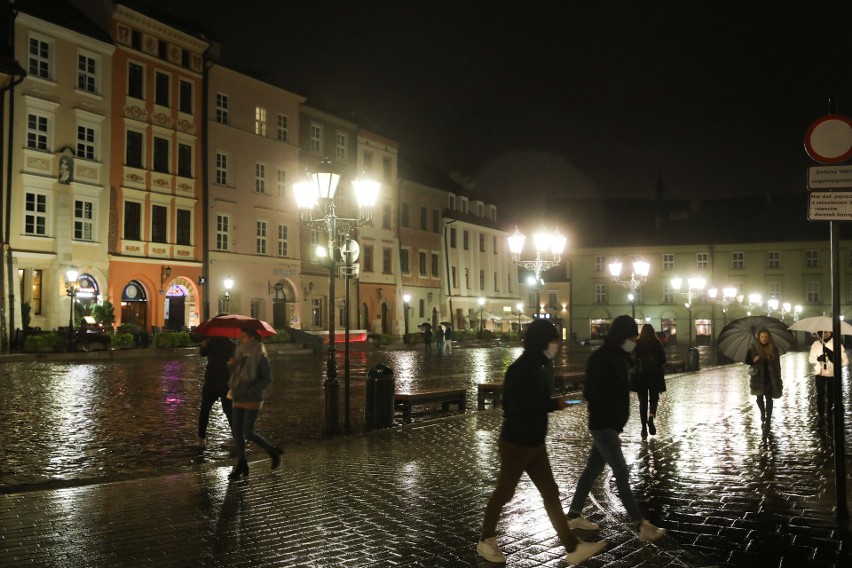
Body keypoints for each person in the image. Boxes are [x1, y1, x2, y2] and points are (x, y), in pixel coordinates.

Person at [477, 319, 608, 565]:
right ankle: (486, 540)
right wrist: (554, 404)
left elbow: (539, 402)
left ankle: (572, 547)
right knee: (505, 492)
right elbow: (514, 406)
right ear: (541, 342)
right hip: (517, 443)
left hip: (535, 444)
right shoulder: (522, 368)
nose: (555, 346)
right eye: (553, 341)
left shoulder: (538, 366)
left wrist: (569, 401)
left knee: (550, 492)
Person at [566, 314, 667, 543]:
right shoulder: (602, 358)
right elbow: (591, 391)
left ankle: (573, 514)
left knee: (592, 470)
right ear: (622, 336)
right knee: (621, 472)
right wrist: (609, 407)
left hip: (610, 424)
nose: (634, 340)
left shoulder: (620, 356)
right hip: (604, 425)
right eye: (632, 336)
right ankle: (640, 524)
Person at [226, 327, 283, 480]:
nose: (240, 339)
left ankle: (271, 451)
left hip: (252, 397)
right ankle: (242, 463)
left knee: (247, 432)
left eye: (243, 336)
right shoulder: (240, 352)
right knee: (237, 432)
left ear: (252, 338)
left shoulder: (260, 355)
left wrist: (253, 390)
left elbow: (267, 378)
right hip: (238, 395)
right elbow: (235, 376)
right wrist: (231, 365)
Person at [198, 333, 236, 448]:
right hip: (222, 381)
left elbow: (202, 353)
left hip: (214, 381)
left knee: (205, 410)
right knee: (228, 411)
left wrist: (204, 346)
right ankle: (236, 438)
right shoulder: (231, 343)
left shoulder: (212, 341)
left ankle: (201, 438)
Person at [631, 323, 667, 438]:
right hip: (654, 376)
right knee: (654, 399)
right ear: (653, 332)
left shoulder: (637, 343)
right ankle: (651, 418)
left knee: (643, 402)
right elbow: (663, 360)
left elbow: (631, 359)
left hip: (641, 376)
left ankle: (643, 429)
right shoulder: (657, 343)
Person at [807, 330, 847, 428]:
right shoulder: (816, 344)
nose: (825, 334)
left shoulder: (836, 343)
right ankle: (821, 416)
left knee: (831, 396)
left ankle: (829, 415)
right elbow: (810, 359)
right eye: (823, 332)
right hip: (819, 373)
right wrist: (817, 359)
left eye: (827, 332)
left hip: (832, 374)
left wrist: (834, 359)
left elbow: (844, 361)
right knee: (820, 395)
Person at [745, 327, 783, 426]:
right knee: (759, 398)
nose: (764, 338)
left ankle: (769, 417)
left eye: (766, 336)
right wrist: (754, 360)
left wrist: (778, 376)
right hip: (758, 377)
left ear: (769, 337)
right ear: (759, 337)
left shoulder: (774, 348)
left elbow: (777, 363)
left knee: (769, 398)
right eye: (762, 336)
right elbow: (747, 361)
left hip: (770, 377)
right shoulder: (754, 347)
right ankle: (763, 413)